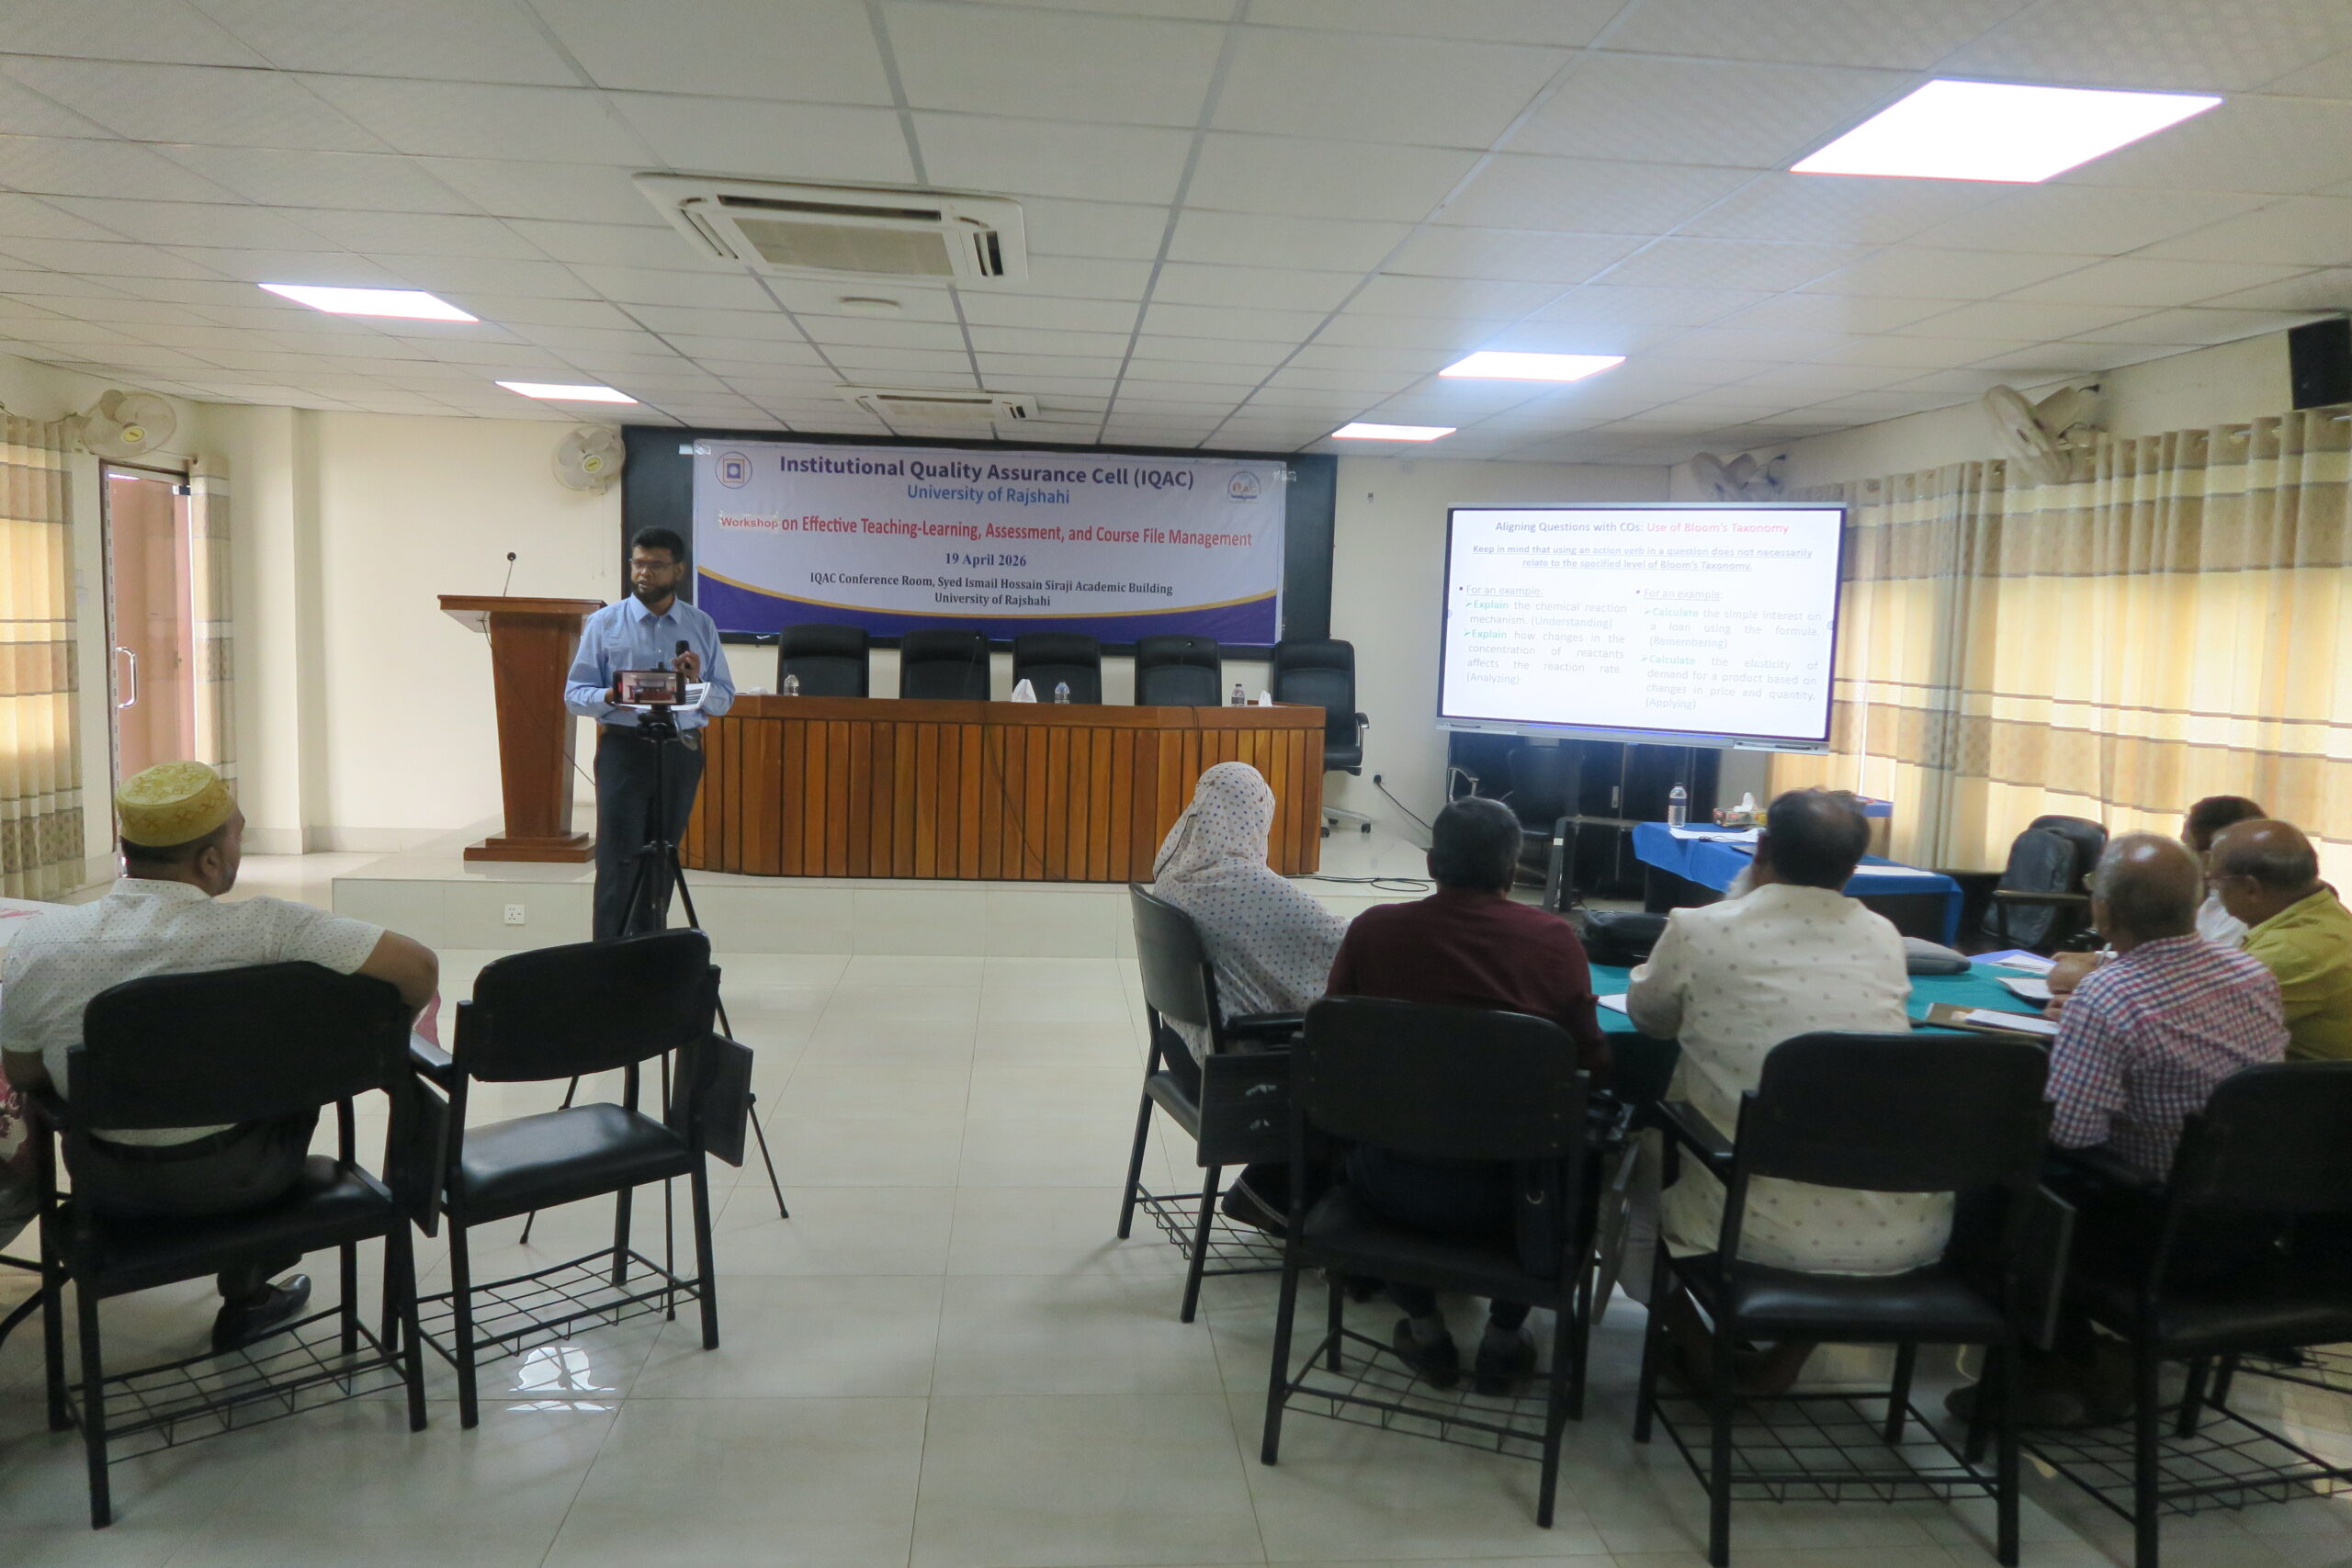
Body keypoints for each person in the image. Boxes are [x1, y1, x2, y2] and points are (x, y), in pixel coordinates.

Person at [0, 762, 439, 1351]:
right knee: (294, 1071)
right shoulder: (271, 929)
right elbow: (418, 968)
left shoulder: (37, 944)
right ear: (209, 860)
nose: (240, 846)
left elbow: (25, 1074)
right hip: (250, 1180)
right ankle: (249, 1290)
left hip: (107, 1187)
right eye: (238, 835)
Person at [1954, 833, 2288, 1423]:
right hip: (2257, 1224)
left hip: (2153, 1234)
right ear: (2196, 902)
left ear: (2103, 912)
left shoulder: (2109, 995)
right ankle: (2082, 1359)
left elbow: (2071, 1136)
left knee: (1985, 1189)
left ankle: (2061, 1368)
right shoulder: (2252, 973)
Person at [1627, 788, 1932, 1394]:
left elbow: (1649, 1018)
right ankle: (1782, 1365)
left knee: (1623, 1180)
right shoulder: (1883, 936)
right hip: (1898, 1227)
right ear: (1854, 867)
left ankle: (1701, 1353)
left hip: (1744, 1222)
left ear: (1760, 847)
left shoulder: (1699, 928)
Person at [1324, 795, 1608, 1394]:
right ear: (1514, 869)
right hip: (1516, 1197)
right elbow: (1589, 1064)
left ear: (1431, 863)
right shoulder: (1555, 941)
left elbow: (1335, 1046)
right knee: (1594, 1144)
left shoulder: (1373, 931)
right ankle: (1503, 1338)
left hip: (1387, 1181)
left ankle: (1425, 1329)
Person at [1148, 761, 1347, 1234]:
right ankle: (1282, 1199)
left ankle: (1271, 1192)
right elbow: (1340, 951)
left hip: (1181, 1052)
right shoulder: (1248, 888)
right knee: (1365, 1065)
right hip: (1236, 1070)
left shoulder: (1173, 874)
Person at [566, 526, 736, 941]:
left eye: (656, 565)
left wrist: (696, 682)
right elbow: (574, 695)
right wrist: (612, 694)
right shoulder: (605, 623)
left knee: (663, 857)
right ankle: (609, 958)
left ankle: (650, 953)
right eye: (638, 563)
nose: (644, 573)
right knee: (617, 858)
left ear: (677, 570)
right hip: (624, 749)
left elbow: (724, 700)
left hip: (680, 751)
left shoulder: (701, 625)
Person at [2209, 818, 2352, 1062]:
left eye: (2214, 881)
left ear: (2251, 889)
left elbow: (2199, 1027)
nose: (2214, 891)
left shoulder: (2289, 952)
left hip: (2306, 1086)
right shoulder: (2324, 911)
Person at [2185, 795, 2267, 946]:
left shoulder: (2238, 914)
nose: (2182, 857)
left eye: (2187, 847)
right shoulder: (2214, 895)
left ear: (2209, 858)